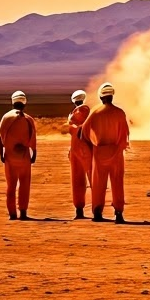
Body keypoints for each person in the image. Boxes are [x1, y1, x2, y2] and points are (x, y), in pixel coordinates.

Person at [82, 82, 130, 223]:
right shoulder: (120, 113)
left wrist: (93, 142)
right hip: (116, 153)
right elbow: (125, 134)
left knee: (98, 184)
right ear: (112, 96)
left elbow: (84, 132)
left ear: (101, 97)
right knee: (117, 183)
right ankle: (119, 213)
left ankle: (97, 213)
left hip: (99, 153)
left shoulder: (95, 112)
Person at [0, 90, 37, 221]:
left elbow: (0, 138)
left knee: (11, 185)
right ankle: (23, 212)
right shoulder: (28, 119)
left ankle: (12, 214)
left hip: (10, 156)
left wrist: (2, 154)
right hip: (24, 157)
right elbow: (33, 139)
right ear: (24, 103)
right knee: (25, 184)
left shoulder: (6, 117)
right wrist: (34, 154)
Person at [67, 88, 92, 219]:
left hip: (78, 149)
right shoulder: (88, 112)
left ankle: (79, 210)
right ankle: (96, 210)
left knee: (77, 180)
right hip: (86, 148)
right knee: (93, 178)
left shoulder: (75, 114)